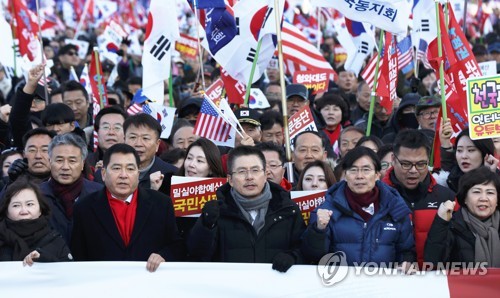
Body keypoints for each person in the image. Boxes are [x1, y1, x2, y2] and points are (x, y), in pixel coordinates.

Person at [188, 146, 306, 272]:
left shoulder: (287, 209)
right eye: (242, 171)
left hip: (276, 288)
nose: (249, 177)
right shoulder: (217, 211)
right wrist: (206, 225)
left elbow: (305, 250)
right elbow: (196, 255)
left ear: (265, 174)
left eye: (255, 170)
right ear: (230, 180)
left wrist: (293, 256)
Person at [71, 144, 184, 271]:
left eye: (130, 169)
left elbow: (176, 245)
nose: (123, 175)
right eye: (117, 168)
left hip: (149, 283)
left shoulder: (161, 204)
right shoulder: (84, 208)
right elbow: (78, 256)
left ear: (138, 173)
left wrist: (163, 256)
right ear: (103, 173)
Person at [302, 147, 415, 266]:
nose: (359, 176)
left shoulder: (395, 207)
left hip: (383, 283)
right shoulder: (327, 209)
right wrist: (319, 230)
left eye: (366, 170)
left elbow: (406, 251)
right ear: (345, 175)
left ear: (377, 175)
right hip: (339, 283)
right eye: (353, 170)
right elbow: (312, 256)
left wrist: (406, 263)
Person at [382, 129, 456, 265]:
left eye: (421, 164)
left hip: (436, 280)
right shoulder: (377, 196)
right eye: (406, 164)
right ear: (393, 159)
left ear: (429, 160)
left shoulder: (446, 197)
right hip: (388, 280)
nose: (413, 171)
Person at [425, 167, 500, 268]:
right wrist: (441, 222)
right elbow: (432, 261)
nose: (483, 198)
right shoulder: (452, 225)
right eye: (477, 192)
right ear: (465, 198)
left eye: (490, 193)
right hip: (464, 283)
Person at [40, 133, 103, 243]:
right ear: (50, 162)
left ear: (83, 164)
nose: (65, 167)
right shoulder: (37, 195)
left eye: (72, 161)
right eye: (59, 160)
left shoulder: (99, 194)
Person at [94, 113, 178, 194]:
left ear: (157, 144)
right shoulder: (105, 174)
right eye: (133, 137)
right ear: (124, 139)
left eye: (145, 138)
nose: (138, 144)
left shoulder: (172, 175)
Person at [0, 179, 72, 265]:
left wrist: (45, 260)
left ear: (40, 209)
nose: (24, 211)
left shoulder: (55, 241)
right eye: (16, 205)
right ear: (6, 211)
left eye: (29, 204)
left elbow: (68, 274)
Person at [437, 125, 498, 193]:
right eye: (459, 150)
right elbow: (448, 164)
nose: (464, 156)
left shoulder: (496, 178)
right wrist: (445, 143)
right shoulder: (450, 180)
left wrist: (489, 175)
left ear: (484, 153)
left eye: (471, 150)